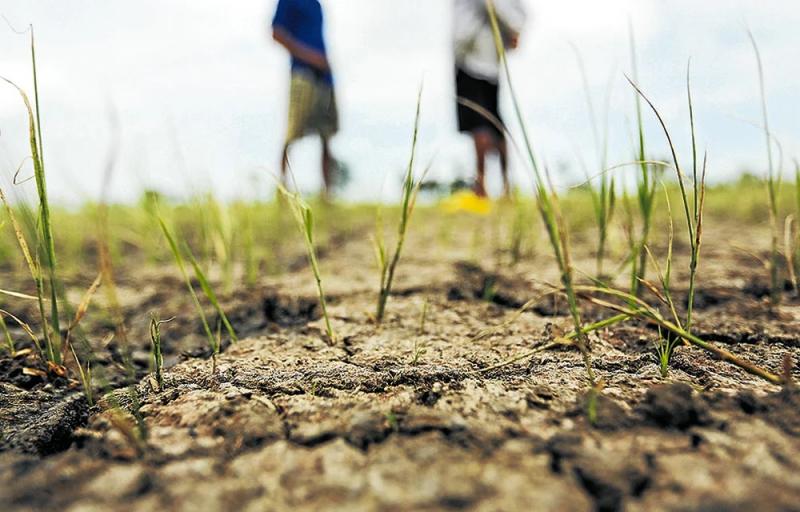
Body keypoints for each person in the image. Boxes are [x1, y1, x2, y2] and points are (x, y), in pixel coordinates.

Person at [453, 0, 527, 197]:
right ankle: (505, 187)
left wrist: (512, 29)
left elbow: (493, 4)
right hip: (489, 55)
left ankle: (482, 187)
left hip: (473, 53)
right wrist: (512, 30)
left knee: (478, 120)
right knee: (493, 118)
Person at [272, 0, 338, 197]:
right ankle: (283, 191)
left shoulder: (317, 4)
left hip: (325, 76)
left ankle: (327, 194)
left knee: (326, 135)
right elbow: (276, 32)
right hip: (303, 74)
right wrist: (310, 57)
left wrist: (323, 62)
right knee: (292, 132)